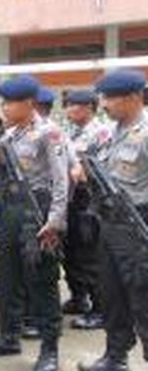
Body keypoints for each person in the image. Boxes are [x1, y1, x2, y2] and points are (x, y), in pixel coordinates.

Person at [0, 75, 68, 371]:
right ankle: (8, 337)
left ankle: (49, 349)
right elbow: (2, 168)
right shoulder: (10, 135)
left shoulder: (49, 133)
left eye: (8, 103)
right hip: (10, 211)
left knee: (41, 280)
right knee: (7, 277)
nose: (3, 108)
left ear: (28, 104)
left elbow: (61, 181)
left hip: (37, 212)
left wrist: (54, 222)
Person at [77, 69, 148, 371]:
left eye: (110, 98)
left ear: (134, 97)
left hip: (139, 226)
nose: (103, 104)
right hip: (110, 225)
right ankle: (115, 359)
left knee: (144, 300)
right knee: (112, 294)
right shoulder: (110, 133)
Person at [63, 89, 111, 330]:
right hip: (69, 198)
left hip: (88, 199)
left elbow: (104, 168)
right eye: (68, 105)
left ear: (89, 108)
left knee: (88, 254)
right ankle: (78, 297)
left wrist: (84, 172)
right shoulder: (70, 131)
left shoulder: (100, 132)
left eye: (74, 105)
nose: (69, 109)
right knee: (71, 251)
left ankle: (100, 308)